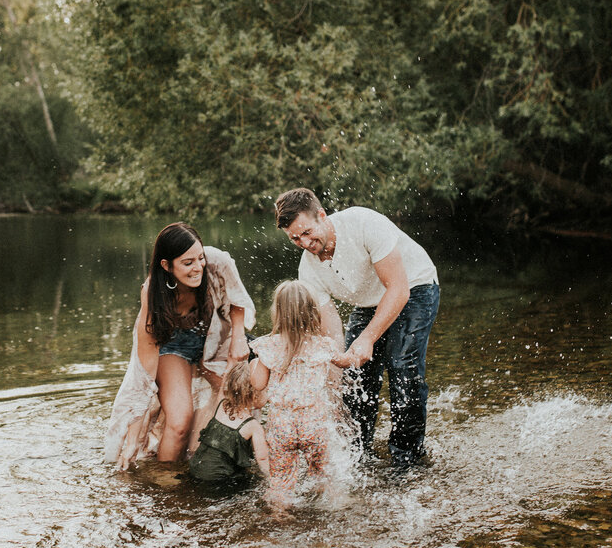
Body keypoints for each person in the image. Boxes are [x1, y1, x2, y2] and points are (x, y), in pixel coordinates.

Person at [274, 188, 440, 470]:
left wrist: (368, 338)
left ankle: (407, 459)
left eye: (307, 232)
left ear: (322, 216)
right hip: (368, 302)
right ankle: (357, 457)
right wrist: (334, 380)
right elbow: (333, 333)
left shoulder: (363, 223)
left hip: (414, 286)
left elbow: (398, 290)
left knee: (402, 366)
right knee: (356, 377)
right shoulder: (309, 271)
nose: (304, 242)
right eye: (295, 239)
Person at [105, 222, 255, 469]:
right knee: (180, 421)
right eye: (188, 263)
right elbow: (144, 371)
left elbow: (237, 299)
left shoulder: (217, 261)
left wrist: (239, 336)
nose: (198, 268)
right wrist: (132, 439)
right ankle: (166, 481)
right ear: (166, 265)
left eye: (200, 258)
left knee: (235, 400)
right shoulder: (152, 292)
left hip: (214, 340)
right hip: (173, 347)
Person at [249, 279, 345, 506]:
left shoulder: (268, 346)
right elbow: (344, 363)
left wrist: (254, 366)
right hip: (314, 423)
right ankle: (332, 508)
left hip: (282, 426)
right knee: (323, 473)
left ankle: (280, 515)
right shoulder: (323, 346)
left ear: (277, 312)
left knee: (281, 482)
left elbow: (259, 384)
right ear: (313, 312)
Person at [187, 360, 270, 490]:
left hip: (196, 468)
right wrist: (274, 480)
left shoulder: (222, 404)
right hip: (218, 480)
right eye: (266, 390)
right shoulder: (252, 426)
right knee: (251, 484)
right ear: (255, 395)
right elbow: (263, 459)